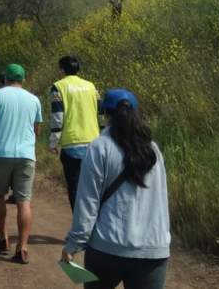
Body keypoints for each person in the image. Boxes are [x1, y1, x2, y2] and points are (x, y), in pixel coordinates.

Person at [61, 89, 170, 289]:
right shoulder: (153, 150)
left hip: (107, 248)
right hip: (153, 249)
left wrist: (74, 243)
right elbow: (161, 200)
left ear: (105, 115)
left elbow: (88, 202)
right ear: (137, 113)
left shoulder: (100, 147)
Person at [0, 64, 42, 264]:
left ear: (5, 78)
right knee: (24, 201)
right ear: (23, 79)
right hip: (26, 155)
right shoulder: (34, 99)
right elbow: (36, 129)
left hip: (0, 154)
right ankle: (22, 248)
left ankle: (3, 238)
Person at [49, 56, 101, 211]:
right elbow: (101, 114)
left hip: (72, 144)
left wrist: (53, 142)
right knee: (94, 188)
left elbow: (58, 117)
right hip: (94, 142)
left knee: (75, 188)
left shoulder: (58, 86)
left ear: (62, 70)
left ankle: (79, 228)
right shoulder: (91, 86)